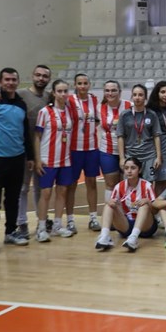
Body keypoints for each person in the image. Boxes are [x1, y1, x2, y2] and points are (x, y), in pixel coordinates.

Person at [0, 67, 34, 254]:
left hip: (17, 159)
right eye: (7, 79)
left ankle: (10, 232)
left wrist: (30, 156)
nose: (10, 83)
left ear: (18, 82)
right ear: (0, 82)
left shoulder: (21, 104)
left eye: (13, 80)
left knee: (12, 199)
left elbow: (25, 133)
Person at [34, 79, 75, 241]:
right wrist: (38, 159)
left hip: (65, 160)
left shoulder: (69, 111)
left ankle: (57, 226)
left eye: (65, 91)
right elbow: (37, 137)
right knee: (45, 193)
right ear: (53, 93)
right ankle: (41, 228)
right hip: (47, 159)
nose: (63, 94)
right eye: (59, 91)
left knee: (62, 192)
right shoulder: (45, 112)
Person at [16, 65, 52, 240]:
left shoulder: (49, 97)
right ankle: (21, 222)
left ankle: (41, 220)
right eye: (38, 75)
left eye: (45, 76)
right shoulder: (21, 94)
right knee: (22, 188)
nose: (41, 78)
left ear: (49, 79)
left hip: (42, 152)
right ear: (32, 76)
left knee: (40, 187)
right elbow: (2, 96)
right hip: (23, 150)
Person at [94, 157, 158, 252]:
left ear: (139, 170)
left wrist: (148, 202)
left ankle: (133, 238)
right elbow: (111, 204)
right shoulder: (119, 186)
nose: (129, 171)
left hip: (146, 227)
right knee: (109, 204)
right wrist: (111, 203)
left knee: (144, 205)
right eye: (126, 168)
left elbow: (155, 211)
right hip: (127, 224)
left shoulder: (147, 185)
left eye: (133, 168)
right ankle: (104, 236)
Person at [65, 73, 100, 234]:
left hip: (92, 148)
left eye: (85, 83)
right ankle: (70, 220)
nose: (83, 86)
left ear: (89, 84)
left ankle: (93, 218)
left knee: (91, 183)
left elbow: (97, 119)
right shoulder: (69, 100)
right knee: (71, 185)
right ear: (75, 85)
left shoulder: (94, 99)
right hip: (74, 149)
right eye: (79, 83)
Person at [117, 84, 162, 183]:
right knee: (130, 184)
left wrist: (158, 157)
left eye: (140, 95)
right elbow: (120, 136)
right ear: (132, 96)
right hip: (131, 155)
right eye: (135, 95)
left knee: (148, 184)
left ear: (145, 97)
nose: (137, 97)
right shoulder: (125, 115)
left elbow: (156, 136)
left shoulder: (152, 114)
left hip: (149, 156)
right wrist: (122, 158)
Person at [98, 80, 131, 203]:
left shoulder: (130, 106)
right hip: (107, 151)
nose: (110, 93)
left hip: (128, 151)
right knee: (110, 184)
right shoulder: (99, 108)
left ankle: (128, 211)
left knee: (127, 183)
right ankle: (111, 211)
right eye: (107, 90)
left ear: (120, 92)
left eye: (113, 90)